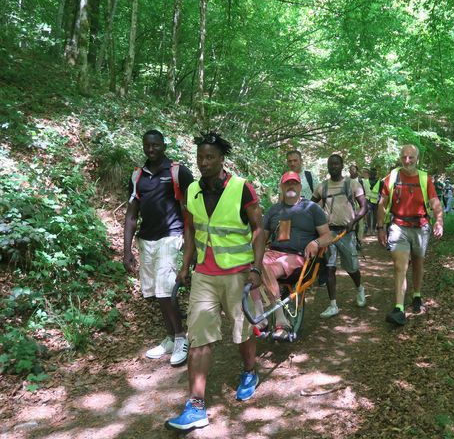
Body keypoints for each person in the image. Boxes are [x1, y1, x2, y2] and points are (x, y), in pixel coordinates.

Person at [166, 132, 265, 431]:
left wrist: (257, 268)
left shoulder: (241, 188)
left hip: (237, 273)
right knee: (198, 338)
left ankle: (250, 371)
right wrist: (185, 265)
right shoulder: (193, 190)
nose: (204, 163)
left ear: (222, 159)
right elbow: (191, 229)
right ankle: (196, 406)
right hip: (205, 275)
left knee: (242, 329)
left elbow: (259, 229)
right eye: (200, 158)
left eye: (210, 157)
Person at [123, 130, 194, 366]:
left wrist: (193, 247)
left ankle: (182, 337)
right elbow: (131, 214)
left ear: (163, 145)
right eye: (147, 145)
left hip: (171, 236)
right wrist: (127, 251)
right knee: (156, 293)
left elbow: (193, 207)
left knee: (166, 291)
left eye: (155, 145)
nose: (151, 149)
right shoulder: (137, 176)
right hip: (147, 240)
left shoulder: (177, 171)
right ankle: (172, 337)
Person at [259, 171, 333, 340]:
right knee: (252, 264)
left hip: (296, 257)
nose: (290, 186)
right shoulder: (274, 210)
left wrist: (316, 243)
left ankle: (280, 321)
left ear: (300, 187)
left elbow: (327, 236)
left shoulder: (312, 208)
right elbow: (261, 240)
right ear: (281, 187)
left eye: (294, 183)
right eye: (286, 184)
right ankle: (258, 316)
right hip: (272, 252)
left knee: (265, 268)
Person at [376, 144, 444, 326]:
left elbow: (435, 203)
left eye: (411, 157)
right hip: (399, 227)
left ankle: (416, 295)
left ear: (417, 159)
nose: (407, 161)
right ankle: (399, 308)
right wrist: (380, 227)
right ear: (400, 158)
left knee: (418, 263)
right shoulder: (392, 177)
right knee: (400, 266)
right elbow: (382, 204)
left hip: (420, 227)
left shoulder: (424, 178)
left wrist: (439, 221)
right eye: (404, 157)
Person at [312, 154, 367, 318]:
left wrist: (355, 220)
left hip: (347, 232)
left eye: (336, 164)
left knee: (352, 267)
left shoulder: (353, 184)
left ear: (341, 165)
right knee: (329, 267)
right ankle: (333, 304)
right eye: (330, 164)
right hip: (328, 233)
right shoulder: (322, 187)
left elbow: (364, 207)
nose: (333, 167)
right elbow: (311, 206)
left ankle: (359, 289)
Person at [349, 164, 369, 245]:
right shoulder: (346, 181)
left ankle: (359, 240)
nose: (352, 171)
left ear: (357, 170)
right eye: (350, 169)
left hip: (360, 207)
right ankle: (352, 241)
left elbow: (368, 194)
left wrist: (363, 204)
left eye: (353, 169)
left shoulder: (362, 181)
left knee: (360, 224)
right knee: (351, 223)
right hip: (349, 207)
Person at [366, 168, 381, 235]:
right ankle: (369, 229)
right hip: (368, 200)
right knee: (368, 214)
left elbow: (381, 192)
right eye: (371, 173)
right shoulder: (365, 181)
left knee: (375, 215)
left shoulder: (379, 182)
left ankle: (374, 229)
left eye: (374, 173)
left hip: (376, 201)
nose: (373, 174)